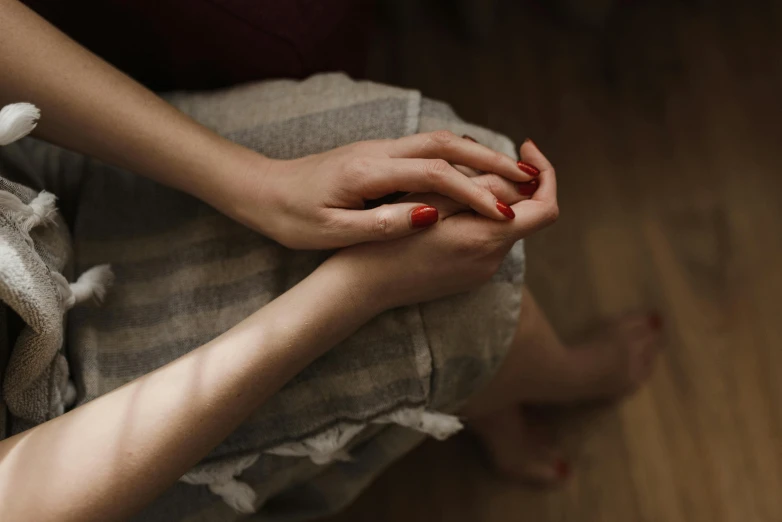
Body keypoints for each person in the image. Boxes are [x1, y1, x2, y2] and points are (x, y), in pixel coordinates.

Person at [0, 1, 662, 520]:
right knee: (458, 307)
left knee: (445, 173)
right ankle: (554, 379)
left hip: (28, 171)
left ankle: (492, 383)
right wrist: (358, 290)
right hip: (58, 427)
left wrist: (257, 185)